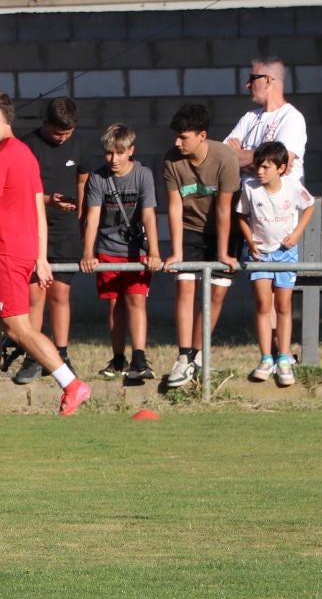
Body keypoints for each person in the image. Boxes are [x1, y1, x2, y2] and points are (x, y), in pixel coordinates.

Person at [0, 90, 91, 425]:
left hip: (5, 252)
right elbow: (38, 207)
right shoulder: (26, 153)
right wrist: (40, 257)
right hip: (18, 252)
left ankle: (72, 384)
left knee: (18, 327)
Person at [159, 104, 242, 391]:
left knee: (216, 294)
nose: (177, 142)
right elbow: (174, 206)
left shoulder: (225, 158)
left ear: (202, 135)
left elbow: (224, 208)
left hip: (223, 231)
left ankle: (198, 352)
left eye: (183, 137)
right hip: (189, 229)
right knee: (185, 287)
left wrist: (223, 252)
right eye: (176, 136)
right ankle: (184, 356)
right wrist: (176, 251)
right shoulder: (171, 160)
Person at [79, 125, 165, 386]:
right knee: (114, 304)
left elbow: (149, 214)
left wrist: (154, 251)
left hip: (136, 250)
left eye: (119, 152)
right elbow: (92, 218)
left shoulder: (143, 175)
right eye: (109, 153)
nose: (114, 159)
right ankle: (118, 358)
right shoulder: (98, 178)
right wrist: (88, 252)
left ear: (131, 151)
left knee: (136, 300)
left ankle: (139, 357)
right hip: (108, 249)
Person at [12, 97, 88, 387]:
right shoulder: (26, 146)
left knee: (60, 294)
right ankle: (33, 355)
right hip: (33, 229)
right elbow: (20, 191)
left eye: (68, 133)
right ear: (45, 124)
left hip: (66, 231)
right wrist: (48, 201)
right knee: (36, 295)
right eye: (58, 133)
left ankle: (61, 353)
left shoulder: (79, 145)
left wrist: (79, 220)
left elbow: (83, 182)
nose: (63, 138)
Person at [235, 140, 315, 388]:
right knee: (263, 305)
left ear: (281, 168)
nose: (260, 172)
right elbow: (241, 215)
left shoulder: (292, 187)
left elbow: (309, 206)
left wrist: (296, 234)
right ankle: (266, 358)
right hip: (260, 255)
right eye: (258, 166)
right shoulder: (250, 188)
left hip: (284, 254)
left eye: (266, 167)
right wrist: (250, 241)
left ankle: (284, 358)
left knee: (283, 306)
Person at [224, 56, 307, 189]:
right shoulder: (249, 117)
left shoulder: (291, 118)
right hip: (246, 201)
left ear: (267, 80)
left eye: (252, 79)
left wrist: (239, 156)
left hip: (280, 201)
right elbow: (222, 158)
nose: (247, 85)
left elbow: (278, 166)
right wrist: (264, 159)